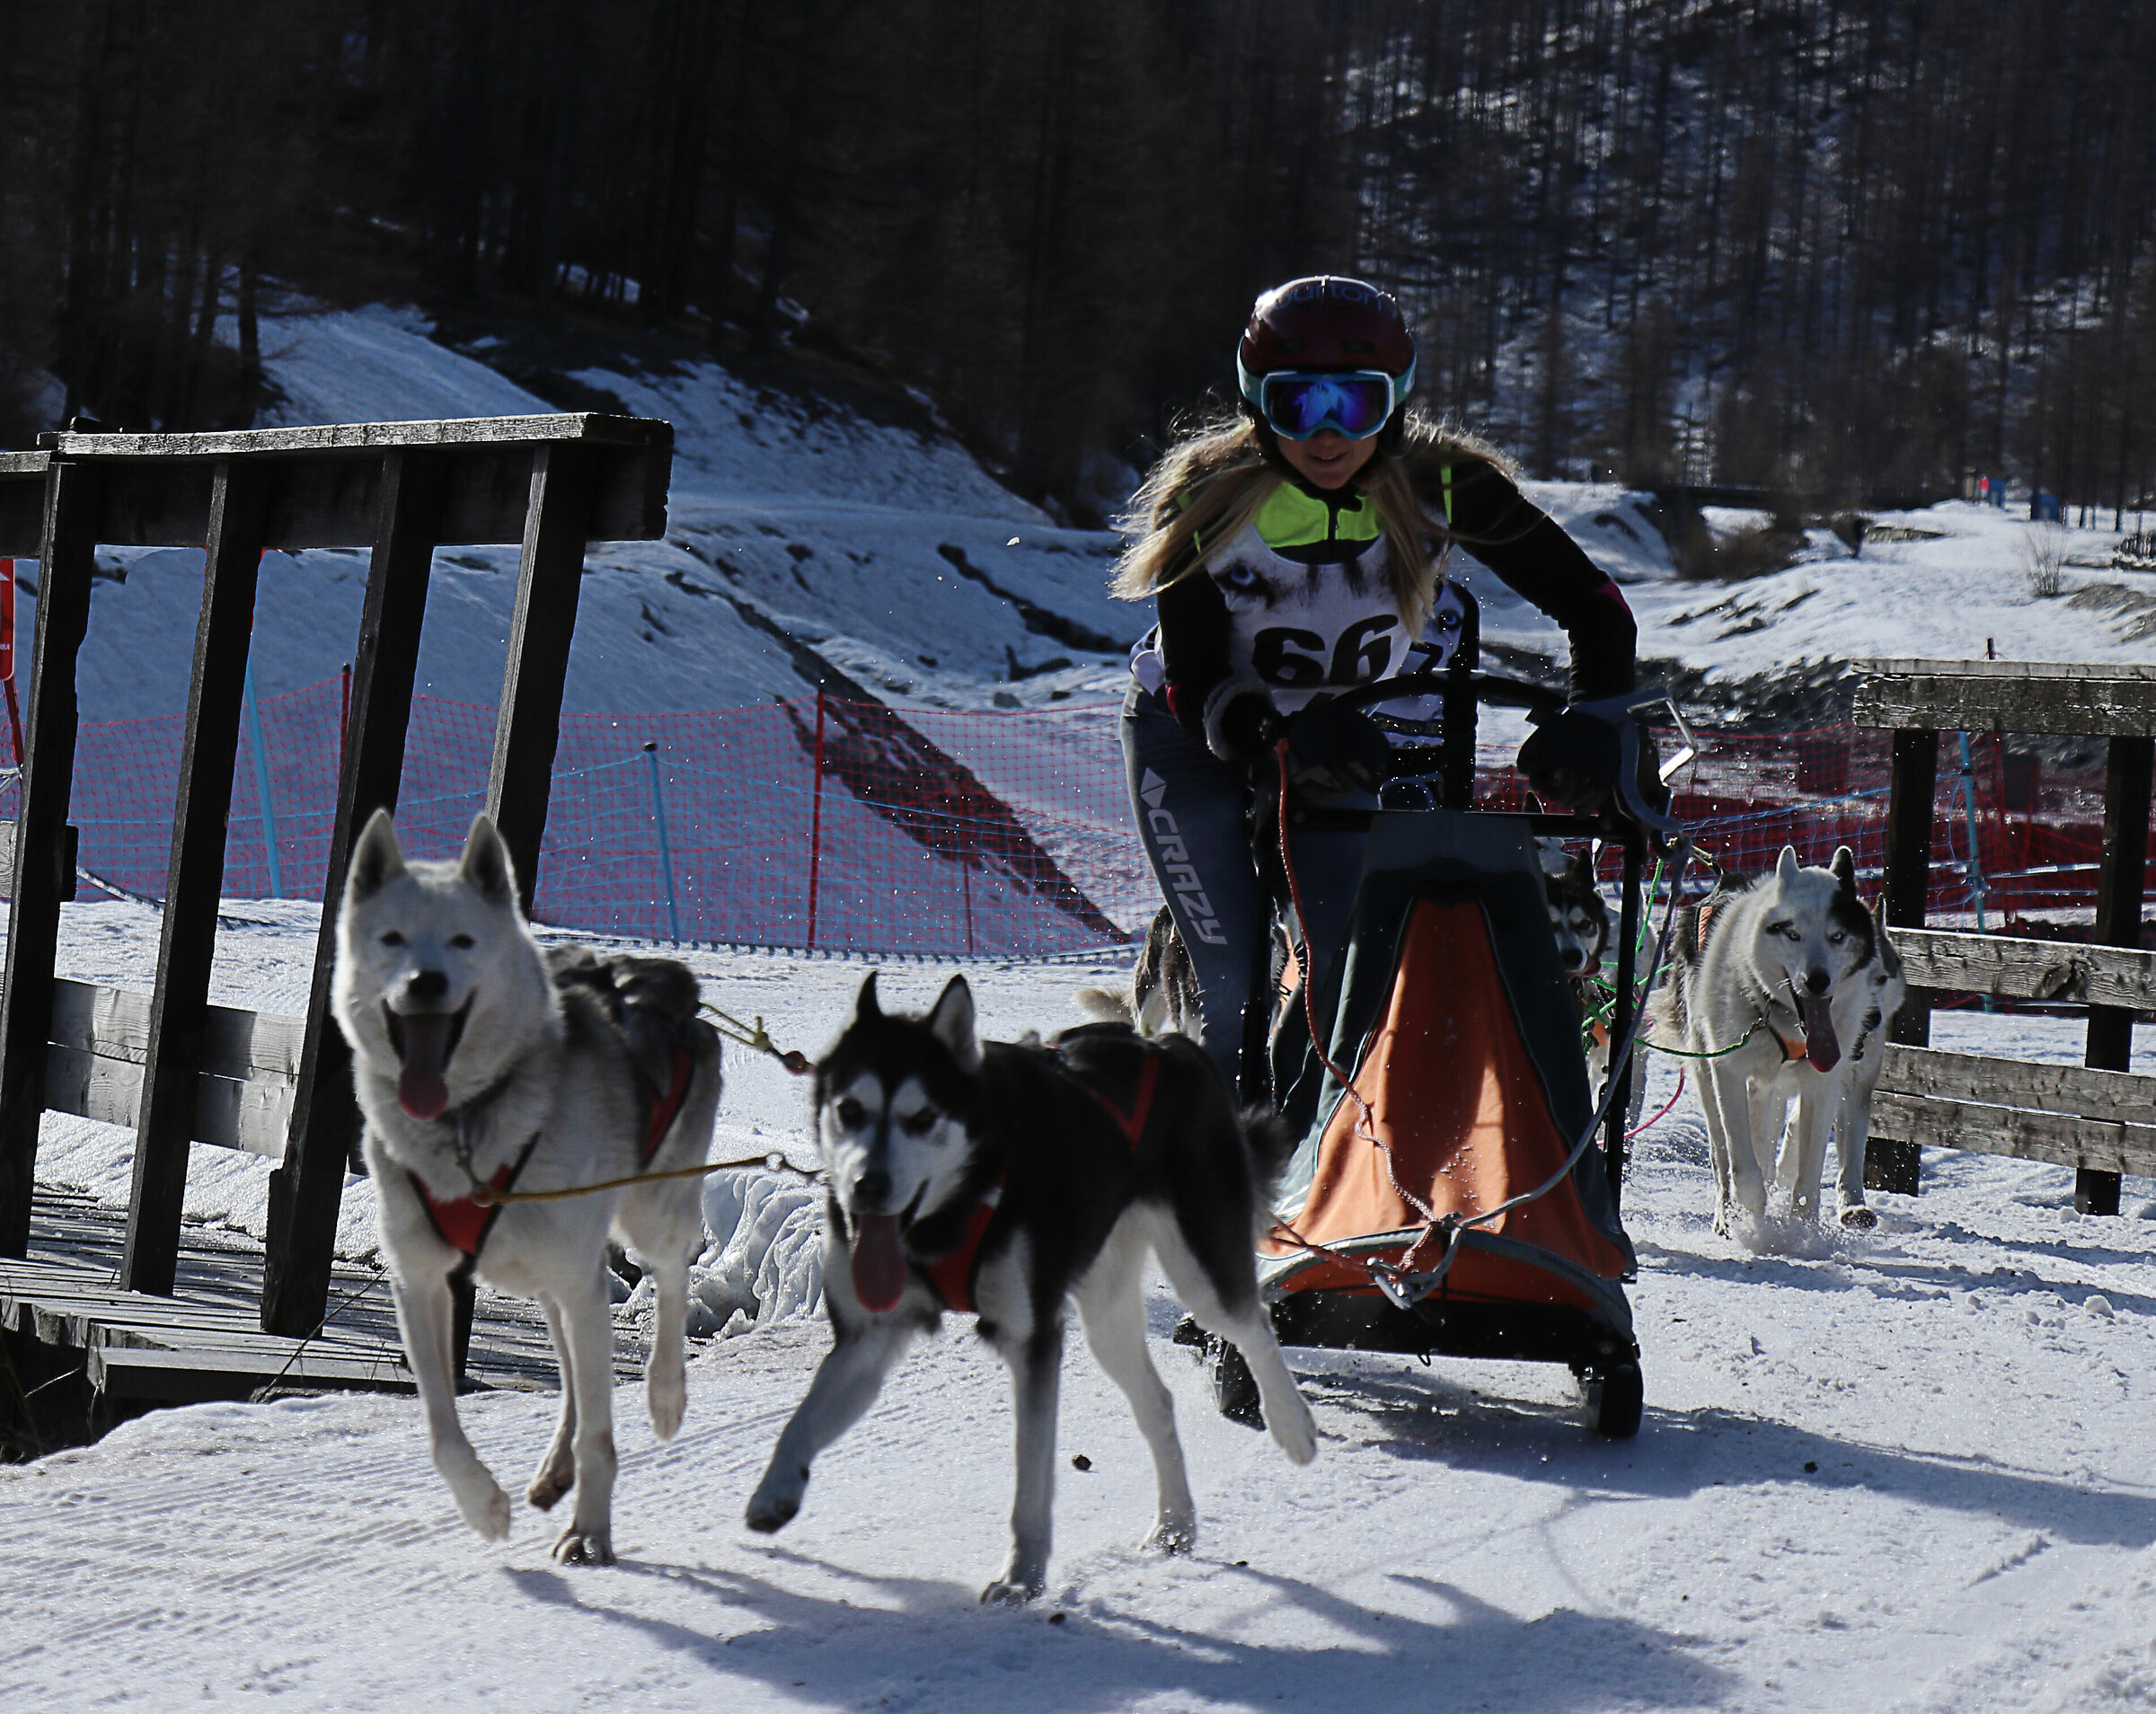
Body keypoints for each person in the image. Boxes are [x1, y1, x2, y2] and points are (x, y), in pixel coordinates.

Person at [1109, 274, 1639, 1099]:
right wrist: (1267, 735)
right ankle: (1221, 1186)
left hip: (1335, 751)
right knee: (1228, 989)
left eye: (1353, 406)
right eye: (1298, 405)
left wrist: (1594, 719)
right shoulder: (1207, 498)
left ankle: (1323, 1172)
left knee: (1352, 970)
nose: (1326, 435)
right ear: (1258, 406)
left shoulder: (1443, 486)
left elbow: (1597, 607)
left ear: (1393, 404)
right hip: (1196, 743)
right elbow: (1195, 677)